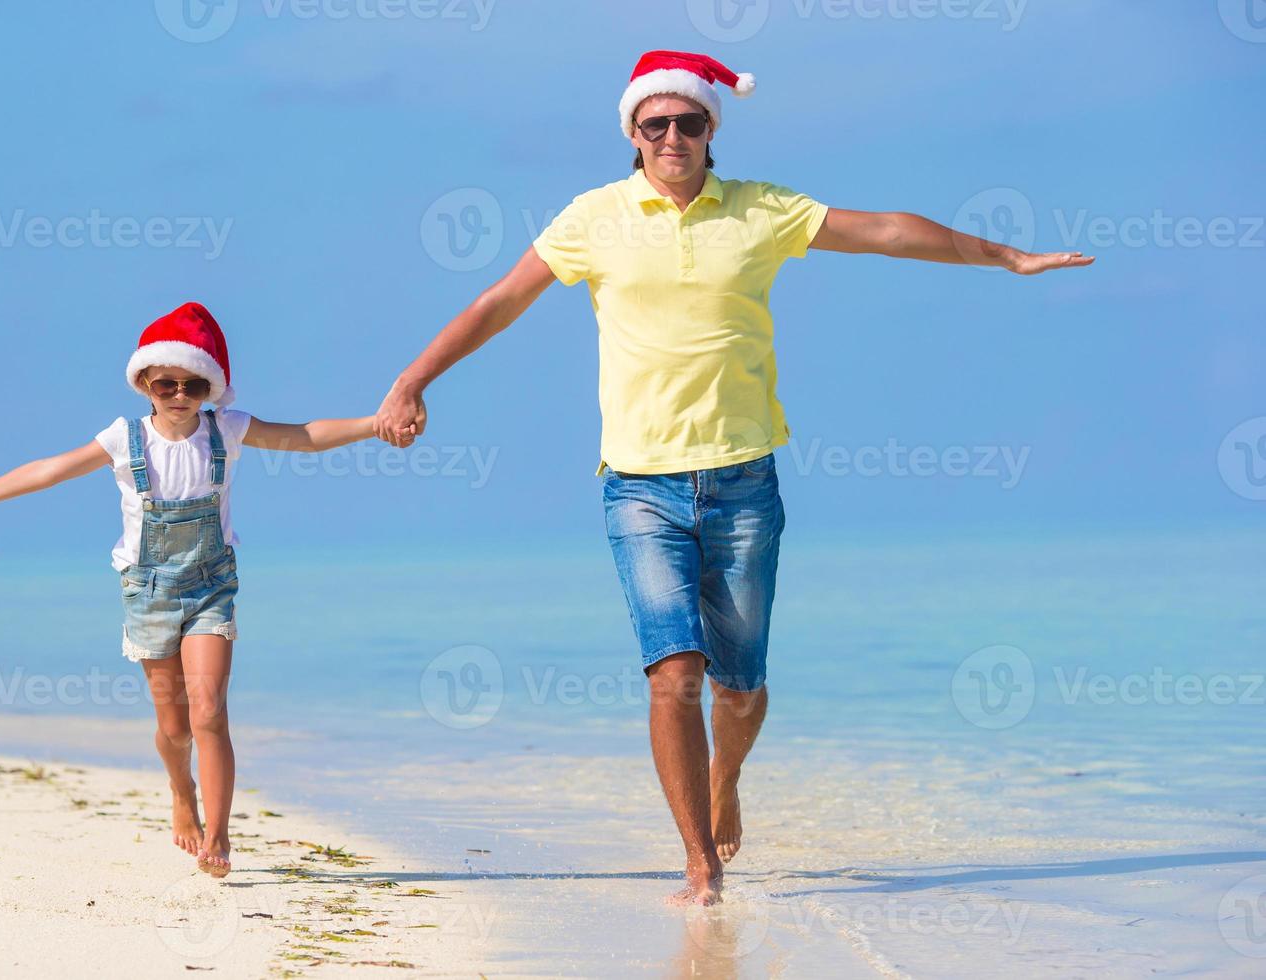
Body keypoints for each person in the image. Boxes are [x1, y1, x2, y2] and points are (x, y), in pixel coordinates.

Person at [373, 50, 1093, 906]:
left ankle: (725, 782)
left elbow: (889, 231)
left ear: (714, 129)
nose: (672, 136)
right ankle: (698, 864)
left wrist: (1002, 256)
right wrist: (413, 379)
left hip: (745, 483)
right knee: (671, 672)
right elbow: (499, 300)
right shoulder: (592, 218)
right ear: (632, 135)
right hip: (640, 485)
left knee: (739, 687)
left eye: (690, 122)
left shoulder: (763, 211)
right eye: (656, 124)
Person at [0, 301, 412, 877]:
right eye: (166, 384)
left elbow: (303, 437)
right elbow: (48, 470)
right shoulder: (123, 440)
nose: (179, 394)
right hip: (148, 590)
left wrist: (374, 425)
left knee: (209, 713)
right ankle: (182, 795)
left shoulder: (226, 429)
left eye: (193, 384)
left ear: (209, 386)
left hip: (211, 587)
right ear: (145, 384)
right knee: (174, 727)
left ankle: (221, 837)